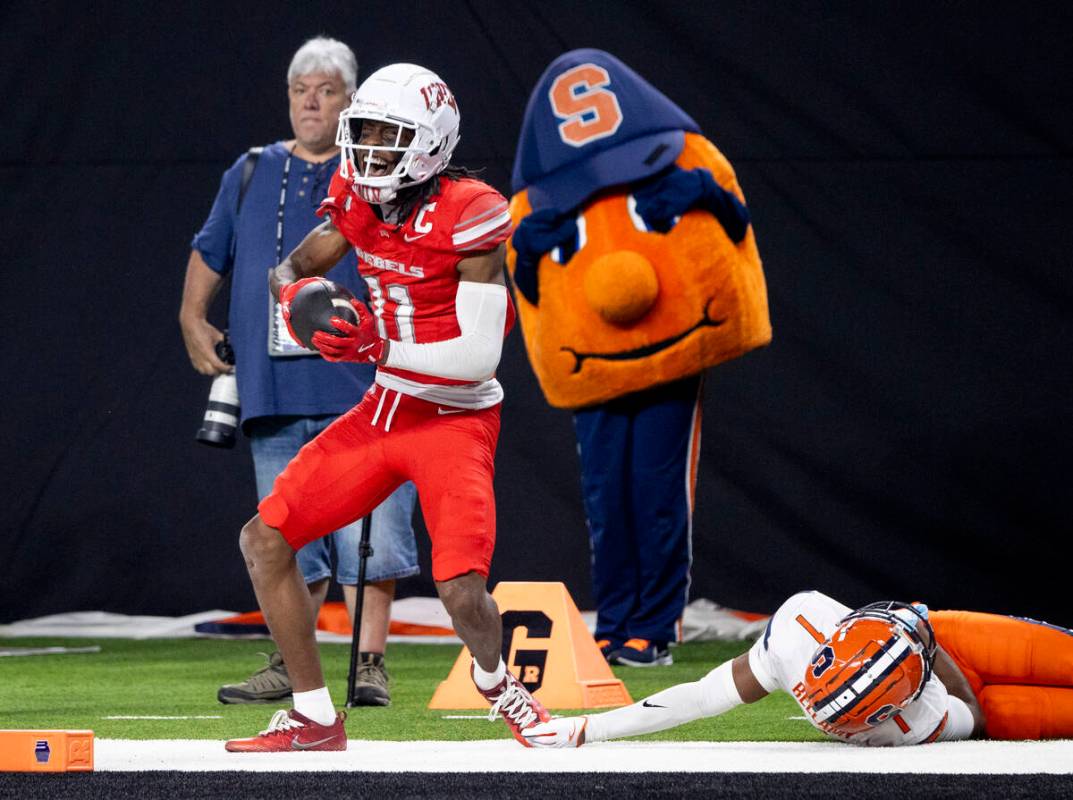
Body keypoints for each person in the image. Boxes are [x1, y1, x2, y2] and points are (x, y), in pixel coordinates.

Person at [223, 62, 550, 753]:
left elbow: (474, 360)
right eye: (361, 132)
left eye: (386, 135)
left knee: (461, 591)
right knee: (265, 539)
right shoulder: (357, 195)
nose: (367, 150)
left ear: (431, 142)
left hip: (456, 418)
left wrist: (377, 345)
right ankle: (314, 718)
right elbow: (291, 267)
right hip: (388, 408)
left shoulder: (473, 209)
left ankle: (496, 681)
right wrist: (289, 295)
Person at [179, 37, 418, 708]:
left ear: (350, 102)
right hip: (274, 386)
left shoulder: (372, 174)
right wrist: (192, 317)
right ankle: (291, 663)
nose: (310, 101)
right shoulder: (250, 170)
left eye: (326, 90)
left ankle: (368, 664)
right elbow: (209, 249)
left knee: (374, 531)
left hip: (362, 385)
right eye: (299, 90)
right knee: (288, 532)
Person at [522, 589, 1073, 747]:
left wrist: (588, 727)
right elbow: (972, 714)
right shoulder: (903, 725)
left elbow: (701, 695)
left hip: (944, 638)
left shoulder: (799, 629)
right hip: (958, 696)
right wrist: (922, 652)